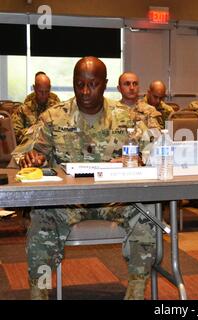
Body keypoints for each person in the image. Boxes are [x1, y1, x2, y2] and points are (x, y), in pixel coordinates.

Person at [11, 56, 157, 300]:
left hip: (115, 201)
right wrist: (32, 158)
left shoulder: (126, 118)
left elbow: (154, 152)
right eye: (79, 84)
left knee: (146, 215)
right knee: (40, 222)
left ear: (106, 84)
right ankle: (40, 294)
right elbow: (23, 154)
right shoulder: (54, 117)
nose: (86, 91)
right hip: (66, 204)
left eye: (93, 84)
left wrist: (139, 160)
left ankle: (136, 293)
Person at [12, 72, 60, 144]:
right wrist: (35, 132)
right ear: (34, 88)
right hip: (29, 148)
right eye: (40, 91)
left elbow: (65, 130)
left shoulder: (57, 108)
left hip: (52, 149)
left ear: (50, 88)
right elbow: (14, 133)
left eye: (46, 91)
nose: (43, 95)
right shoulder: (23, 109)